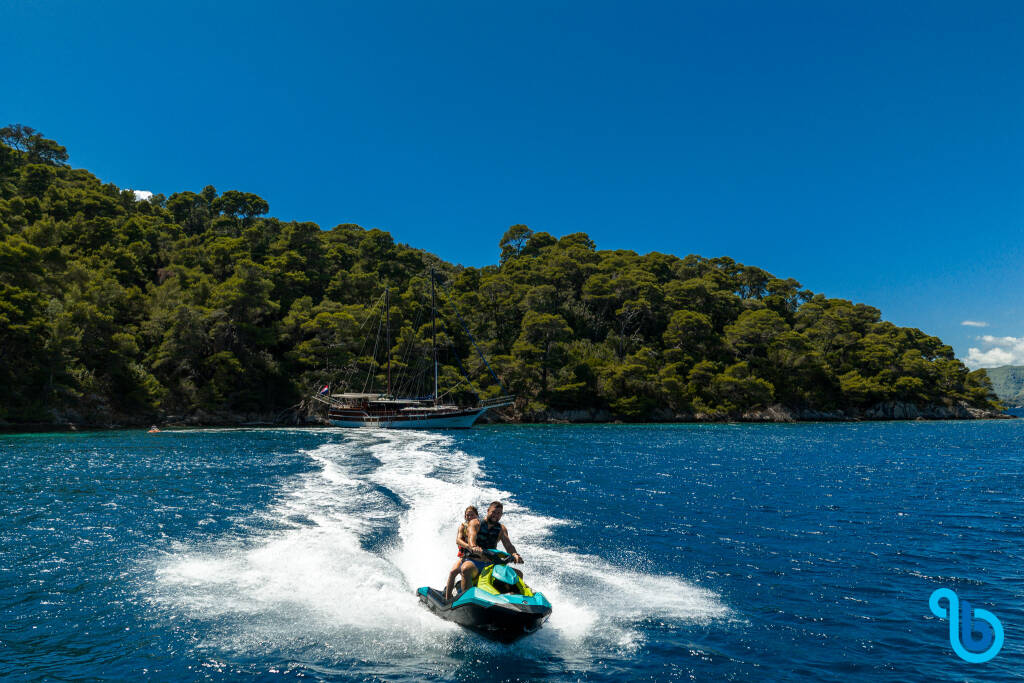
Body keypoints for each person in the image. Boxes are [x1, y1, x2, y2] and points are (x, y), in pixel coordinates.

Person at [458, 501, 524, 595]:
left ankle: (518, 598)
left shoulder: (501, 529)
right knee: (466, 568)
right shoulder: (475, 523)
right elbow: (471, 537)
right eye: (493, 512)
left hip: (492, 563)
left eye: (499, 513)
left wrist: (515, 554)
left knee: (518, 574)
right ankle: (466, 597)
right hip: (475, 561)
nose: (496, 515)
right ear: (488, 510)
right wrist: (474, 547)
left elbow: (508, 545)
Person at [443, 505, 479, 601]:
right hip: (465, 556)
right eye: (467, 515)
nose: (469, 517)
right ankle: (447, 599)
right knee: (453, 572)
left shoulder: (480, 526)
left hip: (479, 557)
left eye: (472, 515)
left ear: (477, 515)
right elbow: (458, 540)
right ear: (465, 516)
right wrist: (468, 546)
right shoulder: (463, 527)